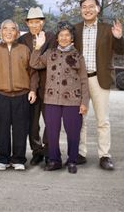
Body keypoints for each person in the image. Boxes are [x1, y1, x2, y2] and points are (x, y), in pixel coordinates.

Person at [0, 19, 36, 171]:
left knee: (20, 129)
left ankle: (18, 159)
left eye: (12, 29)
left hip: (22, 95)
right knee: (1, 128)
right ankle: (2, 159)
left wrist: (33, 89)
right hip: (1, 95)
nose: (9, 32)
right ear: (0, 32)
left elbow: (33, 72)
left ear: (17, 33)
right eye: (5, 29)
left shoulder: (24, 49)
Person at [30, 21, 90, 173]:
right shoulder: (50, 54)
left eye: (67, 35)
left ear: (72, 38)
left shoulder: (78, 56)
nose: (64, 38)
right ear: (57, 38)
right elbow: (34, 63)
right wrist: (38, 47)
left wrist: (84, 102)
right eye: (61, 35)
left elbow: (84, 80)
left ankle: (72, 160)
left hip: (73, 101)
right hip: (51, 100)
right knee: (51, 132)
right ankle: (54, 160)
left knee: (73, 132)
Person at [74, 0, 124, 170]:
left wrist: (118, 37)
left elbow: (120, 51)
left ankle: (104, 155)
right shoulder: (75, 29)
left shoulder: (107, 29)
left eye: (91, 6)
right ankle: (80, 153)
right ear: (81, 10)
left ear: (98, 8)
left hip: (99, 78)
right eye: (84, 7)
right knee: (80, 118)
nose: (87, 10)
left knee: (103, 119)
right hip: (79, 80)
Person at [17, 7, 56, 166]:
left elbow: (49, 61)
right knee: (32, 124)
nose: (34, 25)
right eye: (31, 22)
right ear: (27, 23)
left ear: (43, 22)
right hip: (29, 87)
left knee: (50, 122)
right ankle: (37, 151)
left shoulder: (51, 37)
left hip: (49, 85)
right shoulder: (23, 39)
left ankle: (48, 151)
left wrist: (38, 55)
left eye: (37, 22)